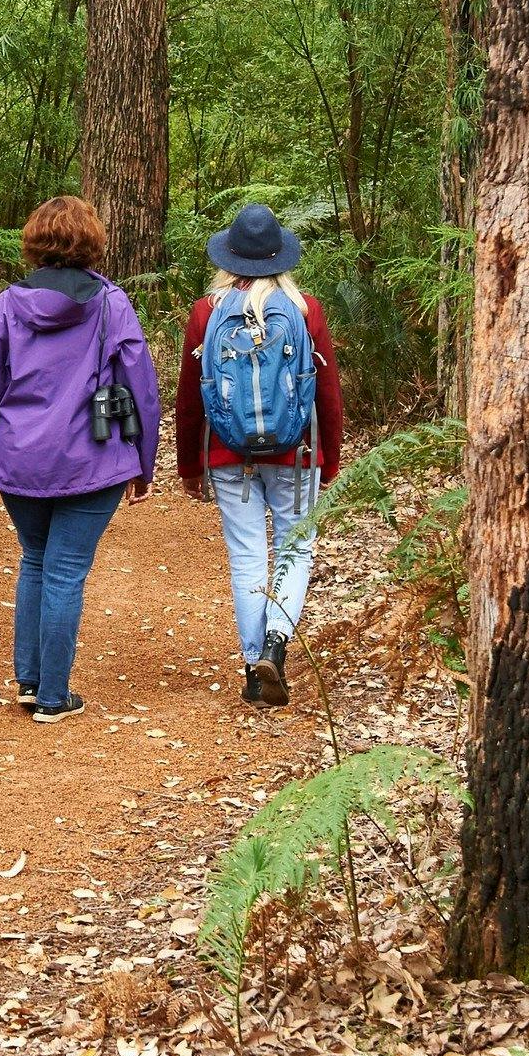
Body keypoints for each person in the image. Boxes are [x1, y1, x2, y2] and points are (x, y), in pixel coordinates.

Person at [0, 196, 162, 723]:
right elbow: (140, 388)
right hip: (93, 462)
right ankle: (53, 696)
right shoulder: (112, 304)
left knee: (35, 560)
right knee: (65, 571)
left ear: (34, 243)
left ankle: (30, 682)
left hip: (20, 459)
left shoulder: (6, 306)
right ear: (91, 242)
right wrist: (144, 460)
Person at [173, 203, 345, 708]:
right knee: (295, 550)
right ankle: (277, 642)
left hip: (228, 454)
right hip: (298, 452)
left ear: (228, 259)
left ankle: (253, 668)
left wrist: (189, 465)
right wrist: (328, 460)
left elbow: (190, 396)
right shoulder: (305, 309)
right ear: (280, 257)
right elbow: (327, 391)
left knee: (247, 555)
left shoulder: (207, 312)